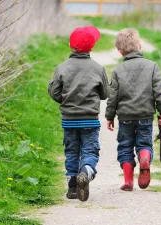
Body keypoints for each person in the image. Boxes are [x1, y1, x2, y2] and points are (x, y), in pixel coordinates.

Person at [48, 26, 110, 201]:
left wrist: (66, 100)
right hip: (90, 120)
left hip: (69, 120)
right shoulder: (98, 69)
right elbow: (105, 94)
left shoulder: (62, 68)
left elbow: (54, 92)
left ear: (70, 45)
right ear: (92, 47)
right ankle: (86, 172)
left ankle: (73, 186)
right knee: (90, 152)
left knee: (72, 152)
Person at [105, 28, 161, 191]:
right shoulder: (152, 66)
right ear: (140, 46)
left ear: (120, 52)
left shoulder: (118, 70)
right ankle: (145, 158)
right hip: (145, 115)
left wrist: (110, 116)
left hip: (125, 116)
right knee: (144, 143)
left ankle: (128, 181)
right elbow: (159, 91)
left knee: (125, 146)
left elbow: (113, 96)